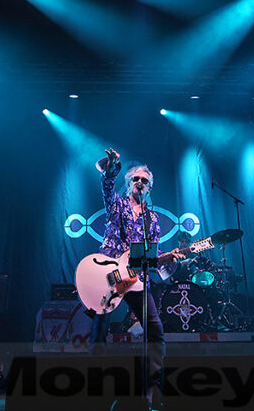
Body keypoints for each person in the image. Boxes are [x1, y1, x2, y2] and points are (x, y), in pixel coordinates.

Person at [89, 148, 184, 409]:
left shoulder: (152, 219)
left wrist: (169, 258)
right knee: (99, 332)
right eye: (136, 179)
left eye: (145, 181)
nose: (140, 183)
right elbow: (107, 187)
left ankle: (150, 392)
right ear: (129, 182)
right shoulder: (117, 204)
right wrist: (111, 169)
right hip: (108, 273)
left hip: (135, 279)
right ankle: (96, 393)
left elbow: (150, 255)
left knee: (155, 331)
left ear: (150, 187)